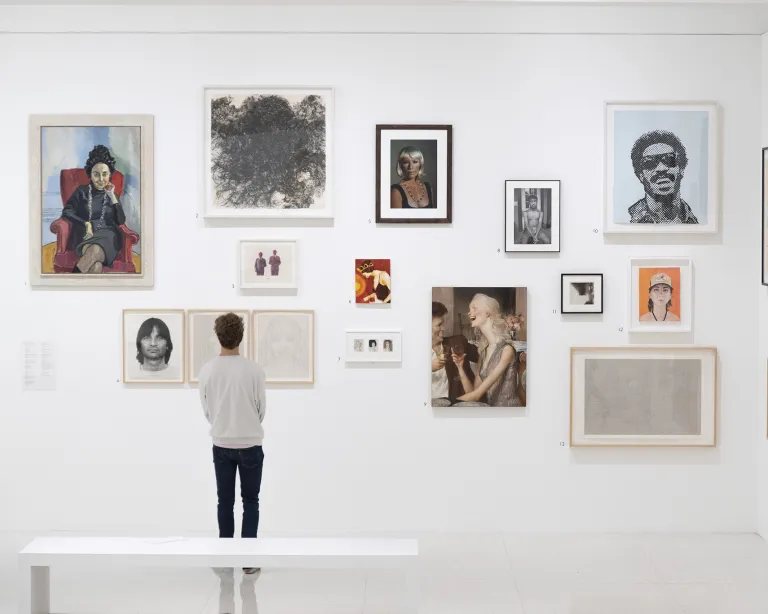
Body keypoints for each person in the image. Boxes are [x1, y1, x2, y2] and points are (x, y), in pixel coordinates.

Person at [199, 313, 267, 575]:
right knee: (251, 501)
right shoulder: (254, 370)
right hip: (250, 443)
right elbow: (261, 408)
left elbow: (207, 409)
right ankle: (248, 560)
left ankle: (226, 558)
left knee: (224, 501)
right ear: (241, 336)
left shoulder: (208, 370)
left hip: (221, 442)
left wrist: (222, 423)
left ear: (218, 336)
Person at [62, 145, 128, 274]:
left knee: (95, 251)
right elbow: (67, 212)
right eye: (96, 174)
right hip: (87, 236)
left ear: (110, 175)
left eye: (104, 174)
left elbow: (121, 220)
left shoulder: (111, 194)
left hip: (109, 237)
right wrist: (85, 223)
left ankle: (71, 283)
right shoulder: (82, 191)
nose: (101, 179)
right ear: (90, 175)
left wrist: (113, 198)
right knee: (96, 267)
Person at [453, 294, 522, 407]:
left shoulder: (506, 350)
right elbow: (474, 395)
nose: (469, 313)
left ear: (488, 313)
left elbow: (476, 395)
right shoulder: (483, 352)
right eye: (470, 309)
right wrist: (460, 368)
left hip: (510, 414)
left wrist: (448, 404)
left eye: (474, 308)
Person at [628, 130, 698, 224]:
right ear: (640, 175)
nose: (661, 168)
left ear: (681, 169)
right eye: (650, 163)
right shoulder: (628, 219)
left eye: (670, 160)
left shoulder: (693, 221)